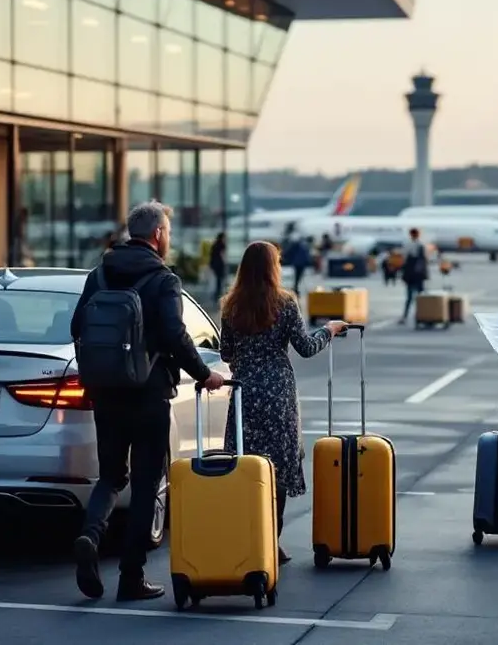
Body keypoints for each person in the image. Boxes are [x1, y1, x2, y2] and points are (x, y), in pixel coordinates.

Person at [69, 201, 225, 602]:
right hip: (149, 394)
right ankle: (131, 577)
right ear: (157, 234)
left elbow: (76, 326)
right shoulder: (163, 279)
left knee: (111, 477)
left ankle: (90, 536)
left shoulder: (100, 274)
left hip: (106, 392)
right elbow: (175, 334)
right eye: (167, 231)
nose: (168, 237)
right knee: (145, 484)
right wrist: (203, 373)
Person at [218, 240, 347, 564]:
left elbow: (226, 353)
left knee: (246, 466)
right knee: (277, 469)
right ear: (273, 268)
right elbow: (306, 347)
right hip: (278, 394)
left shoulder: (231, 306)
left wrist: (245, 360)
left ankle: (247, 539)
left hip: (245, 392)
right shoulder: (285, 303)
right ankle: (271, 542)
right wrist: (329, 330)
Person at [398, 228, 429, 323]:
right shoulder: (420, 245)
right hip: (417, 275)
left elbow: (404, 258)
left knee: (410, 297)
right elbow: (423, 260)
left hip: (410, 274)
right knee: (420, 296)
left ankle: (405, 316)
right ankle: (423, 315)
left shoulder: (408, 245)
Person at [208, 231, 227, 304]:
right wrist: (224, 262)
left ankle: (216, 294)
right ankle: (218, 294)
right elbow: (222, 255)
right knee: (220, 279)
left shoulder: (214, 244)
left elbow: (211, 255)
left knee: (217, 279)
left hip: (214, 264)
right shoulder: (222, 244)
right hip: (220, 264)